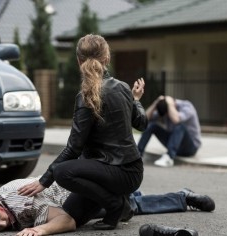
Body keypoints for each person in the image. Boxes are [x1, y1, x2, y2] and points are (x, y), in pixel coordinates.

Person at [18, 34, 147, 230]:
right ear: (107, 58)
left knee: (62, 172)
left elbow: (74, 149)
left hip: (117, 174)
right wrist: (136, 100)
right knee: (71, 215)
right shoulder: (123, 88)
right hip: (131, 172)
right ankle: (123, 205)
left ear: (79, 61)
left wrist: (45, 180)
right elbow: (142, 123)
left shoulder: (86, 96)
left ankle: (115, 205)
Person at [0, 176, 215, 236]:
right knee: (134, 203)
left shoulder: (17, 198)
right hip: (80, 201)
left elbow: (61, 220)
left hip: (77, 196)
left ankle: (182, 197)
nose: (3, 227)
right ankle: (182, 196)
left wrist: (39, 230)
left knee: (129, 204)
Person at [137, 95, 201, 167]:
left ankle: (169, 157)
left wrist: (170, 104)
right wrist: (155, 103)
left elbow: (176, 120)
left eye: (167, 113)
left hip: (190, 147)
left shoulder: (187, 106)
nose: (167, 116)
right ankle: (137, 155)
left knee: (180, 126)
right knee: (152, 125)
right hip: (174, 143)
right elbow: (145, 119)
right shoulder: (164, 109)